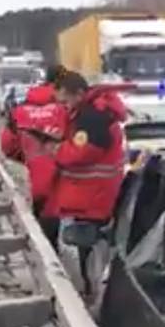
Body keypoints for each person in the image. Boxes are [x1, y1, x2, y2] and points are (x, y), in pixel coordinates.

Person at [50, 71, 128, 295]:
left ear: (79, 94)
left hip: (92, 196)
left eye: (66, 100)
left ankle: (91, 291)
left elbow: (83, 152)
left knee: (87, 247)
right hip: (96, 194)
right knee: (93, 246)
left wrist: (58, 151)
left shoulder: (92, 117)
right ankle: (92, 288)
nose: (64, 106)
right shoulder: (95, 111)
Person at [0, 64, 68, 247]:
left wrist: (31, 159)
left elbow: (8, 146)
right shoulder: (66, 109)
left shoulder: (20, 109)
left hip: (37, 180)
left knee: (43, 227)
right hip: (63, 178)